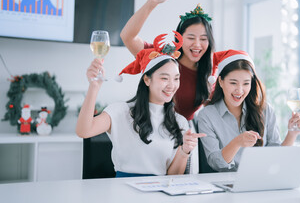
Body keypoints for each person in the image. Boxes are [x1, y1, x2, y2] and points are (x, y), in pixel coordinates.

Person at [76, 32, 205, 177]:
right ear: (147, 80)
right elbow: (84, 131)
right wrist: (94, 86)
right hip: (124, 191)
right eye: (164, 78)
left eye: (176, 79)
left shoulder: (179, 121)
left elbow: (173, 176)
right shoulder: (120, 111)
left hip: (158, 194)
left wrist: (184, 151)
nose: (172, 85)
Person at [197, 50, 300, 172]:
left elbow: (277, 157)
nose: (239, 90)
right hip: (227, 183)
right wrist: (237, 142)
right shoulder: (207, 116)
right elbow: (215, 163)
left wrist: (292, 134)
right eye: (233, 83)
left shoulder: (265, 110)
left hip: (262, 181)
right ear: (221, 81)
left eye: (246, 83)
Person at [120, 0, 215, 121]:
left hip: (182, 136)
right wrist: (152, 2)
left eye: (204, 39)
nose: (197, 44)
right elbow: (127, 36)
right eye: (191, 38)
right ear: (179, 38)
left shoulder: (209, 71)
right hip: (148, 130)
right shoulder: (161, 56)